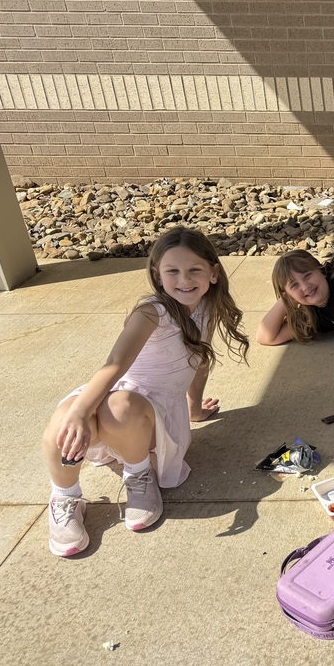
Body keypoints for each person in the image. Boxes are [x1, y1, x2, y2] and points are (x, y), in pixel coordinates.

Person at [42, 227, 249, 557]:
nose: (184, 279)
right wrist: (80, 413)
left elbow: (199, 360)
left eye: (194, 269)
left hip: (148, 416)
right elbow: (115, 364)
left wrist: (194, 408)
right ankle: (65, 497)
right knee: (66, 420)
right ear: (157, 274)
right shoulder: (153, 312)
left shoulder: (208, 306)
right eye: (172, 271)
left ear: (213, 273)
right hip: (122, 394)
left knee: (119, 408)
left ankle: (139, 475)